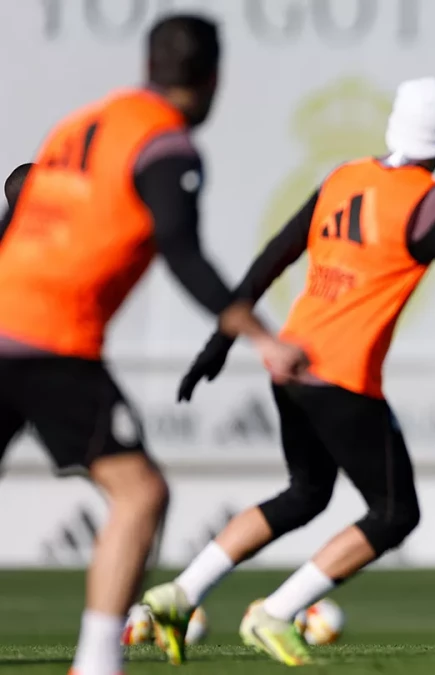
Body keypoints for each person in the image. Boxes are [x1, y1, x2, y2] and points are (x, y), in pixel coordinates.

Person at [142, 76, 435, 666]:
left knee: (306, 493)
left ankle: (180, 591)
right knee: (396, 513)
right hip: (341, 376)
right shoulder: (428, 201)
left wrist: (220, 343)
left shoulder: (345, 176)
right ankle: (275, 612)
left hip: (289, 364)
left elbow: (273, 255)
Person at [0, 15, 306, 675]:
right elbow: (184, 252)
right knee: (141, 493)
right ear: (214, 78)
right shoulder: (164, 144)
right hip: (48, 336)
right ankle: (97, 662)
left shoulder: (84, 122)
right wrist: (259, 335)